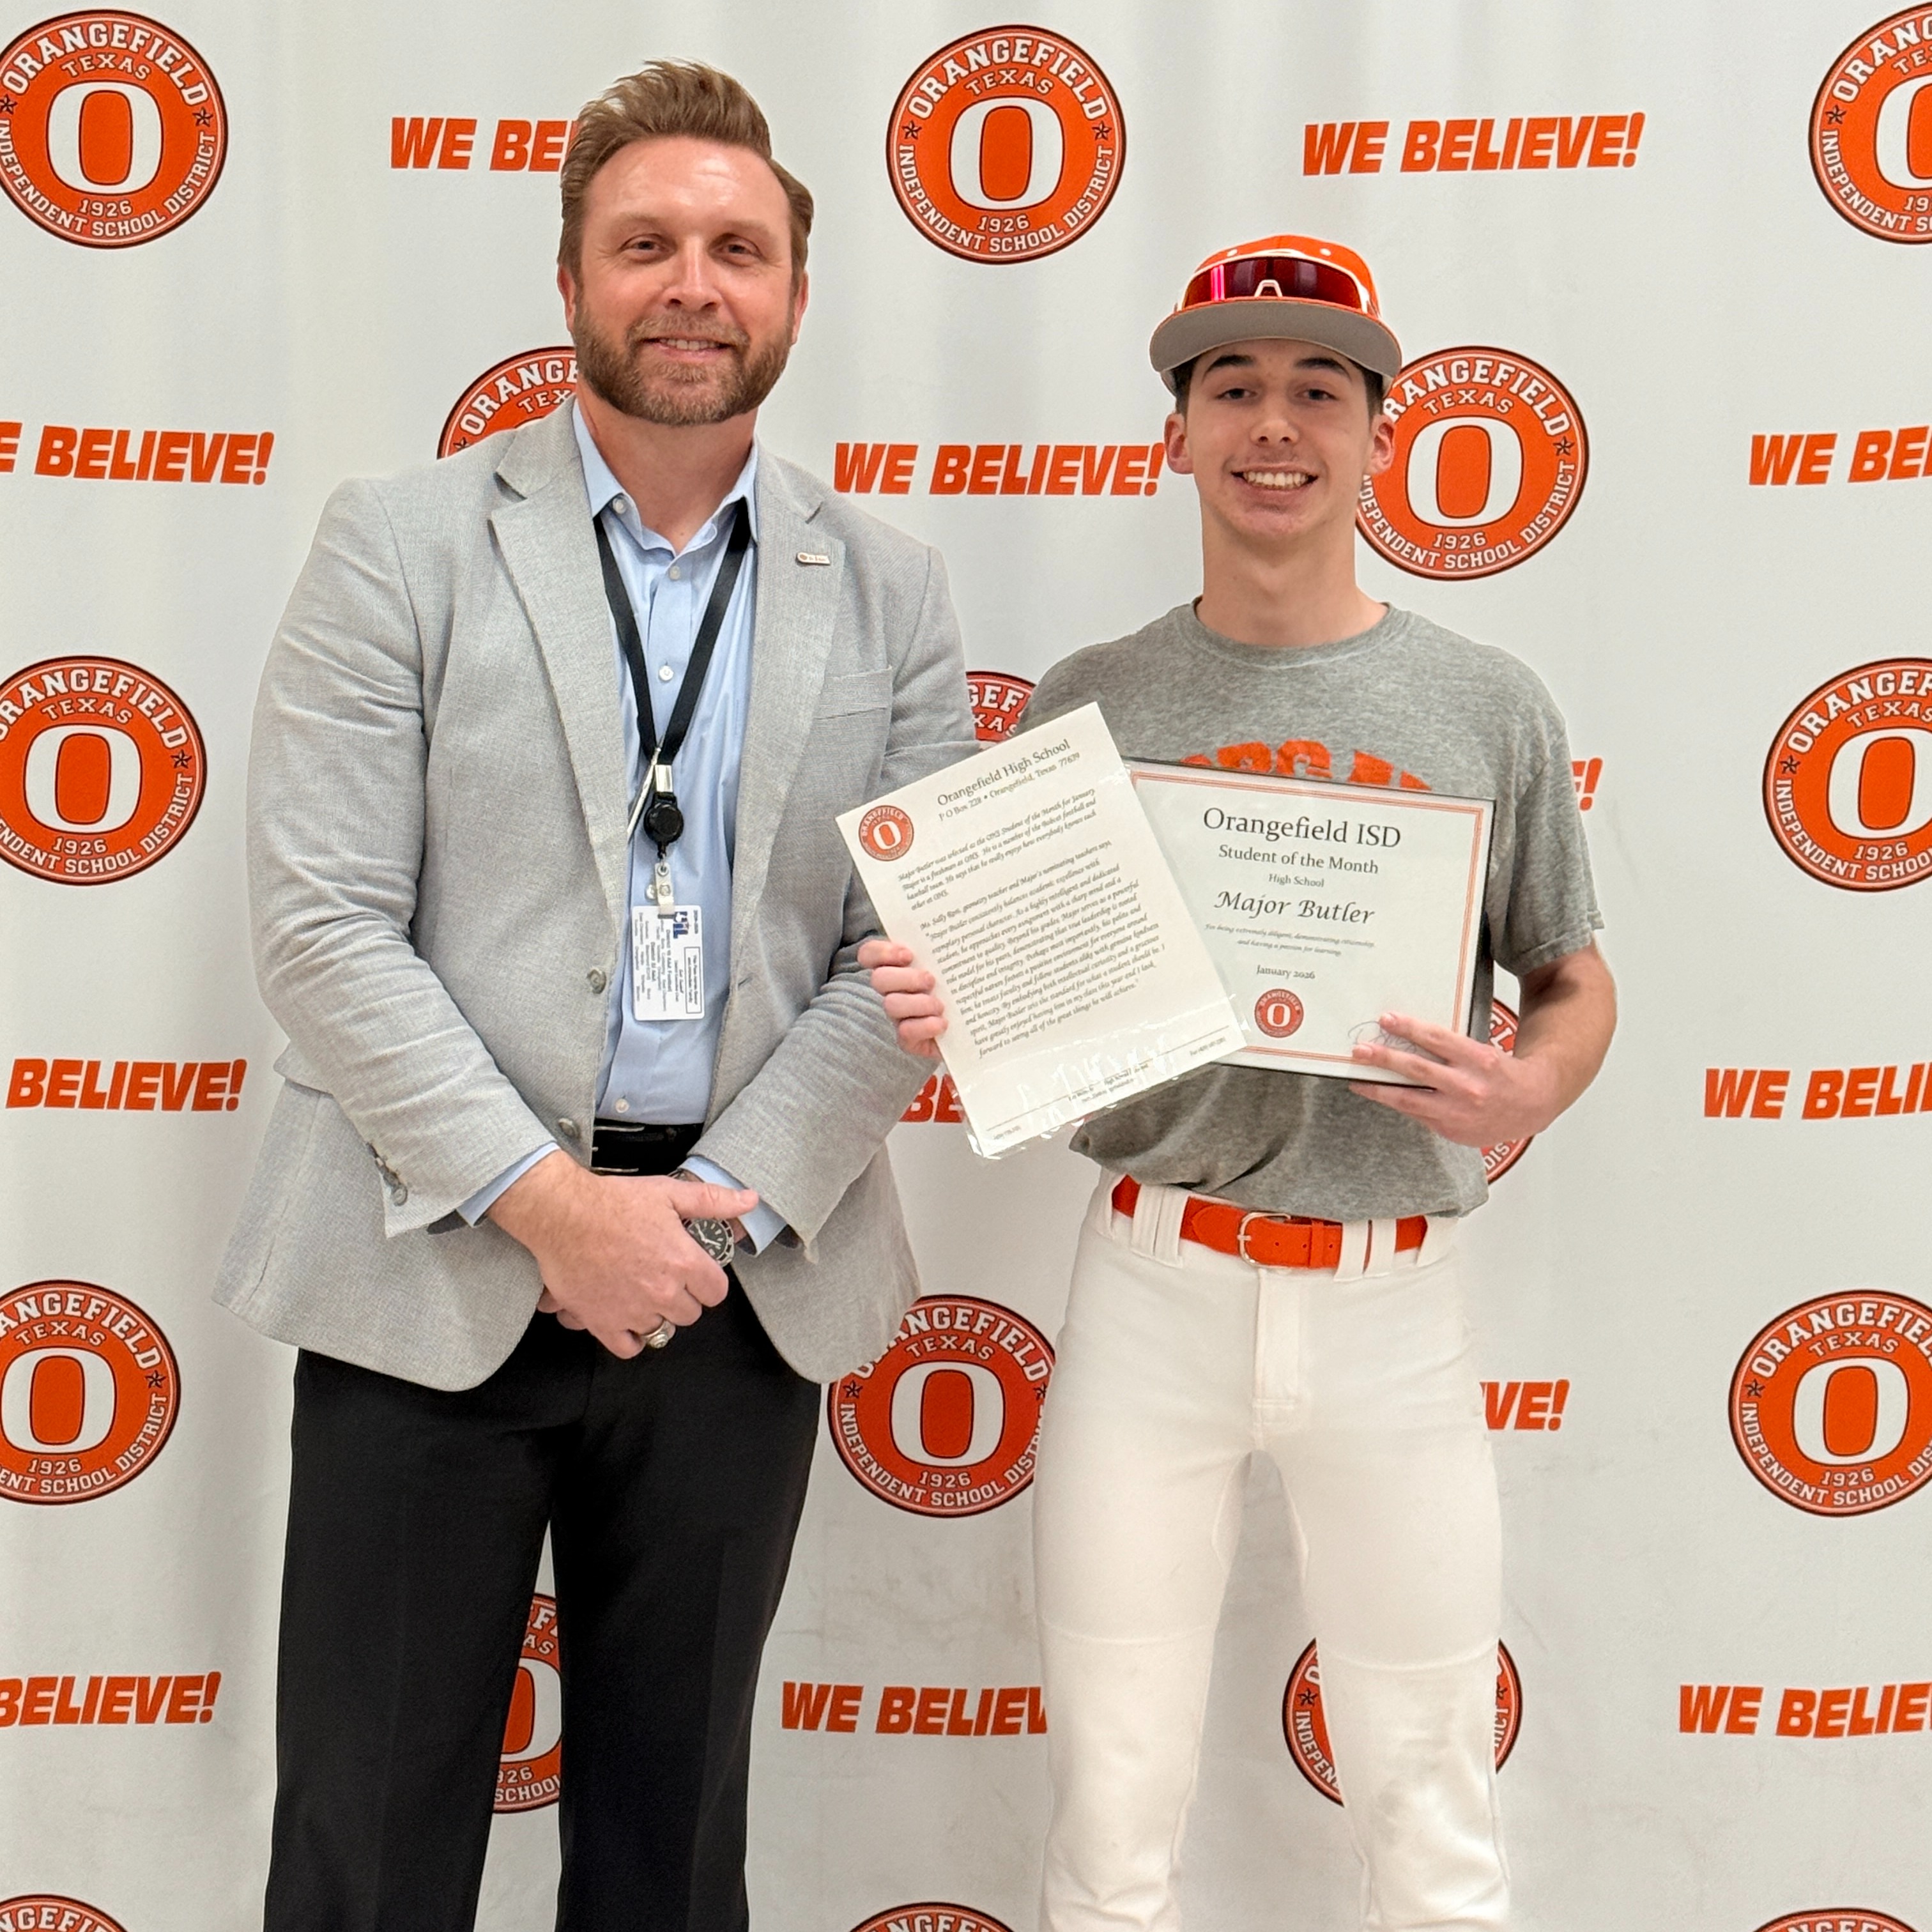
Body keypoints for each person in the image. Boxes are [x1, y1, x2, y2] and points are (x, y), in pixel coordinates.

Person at [218, 59, 974, 1932]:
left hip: (740, 1281)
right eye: (646, 244)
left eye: (738, 246)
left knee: (671, 1850)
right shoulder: (397, 544)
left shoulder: (887, 589)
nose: (692, 283)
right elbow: (322, 930)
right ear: (572, 284)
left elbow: (918, 953)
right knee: (367, 1849)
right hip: (436, 1259)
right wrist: (555, 1210)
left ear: (797, 292)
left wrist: (703, 1217)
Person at [862, 233, 1616, 1930]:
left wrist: (1533, 1090)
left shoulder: (1481, 703)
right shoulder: (1095, 703)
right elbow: (1023, 995)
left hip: (1396, 1312)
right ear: (1180, 434)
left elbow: (1571, 979)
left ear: (1377, 432)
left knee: (1432, 1803)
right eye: (1233, 386)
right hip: (1155, 1282)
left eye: (1319, 389)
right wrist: (960, 993)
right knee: (1112, 1808)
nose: (1275, 423)